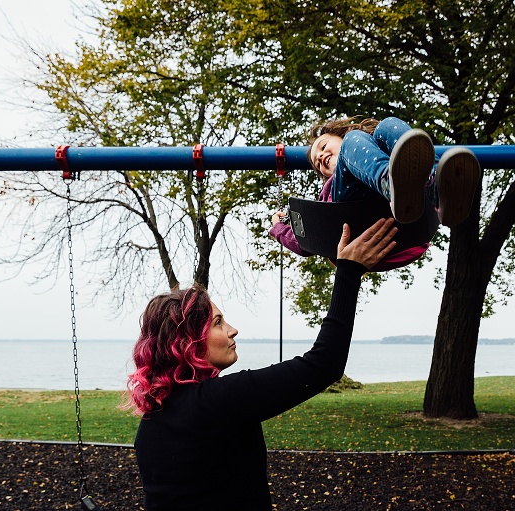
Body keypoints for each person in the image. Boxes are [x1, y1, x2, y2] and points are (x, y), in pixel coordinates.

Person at [126, 218, 398, 511]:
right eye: (218, 323)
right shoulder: (217, 402)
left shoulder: (151, 421)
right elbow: (324, 363)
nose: (233, 330)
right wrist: (349, 271)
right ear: (187, 341)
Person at [270, 117, 481, 268]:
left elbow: (358, 143)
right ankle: (391, 184)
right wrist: (279, 227)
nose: (321, 157)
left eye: (324, 146)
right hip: (351, 213)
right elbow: (308, 241)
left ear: (339, 137)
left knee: (388, 125)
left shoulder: (369, 148)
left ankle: (437, 188)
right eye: (318, 163)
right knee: (356, 139)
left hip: (408, 226)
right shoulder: (330, 193)